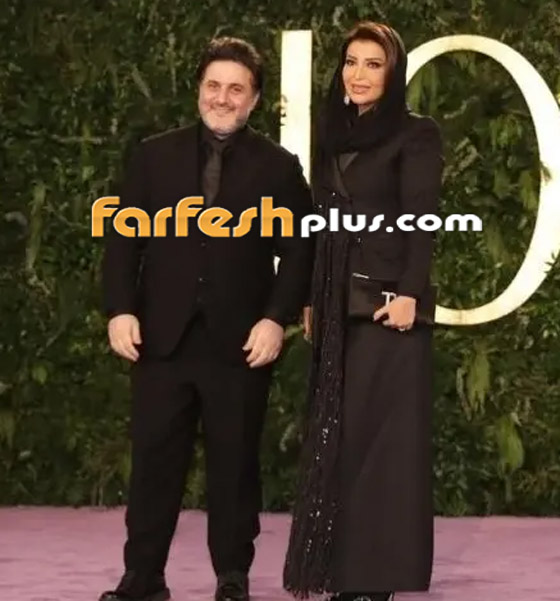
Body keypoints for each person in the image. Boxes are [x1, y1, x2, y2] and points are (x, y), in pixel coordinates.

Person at [99, 37, 314, 601]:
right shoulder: (153, 157)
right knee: (153, 464)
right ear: (199, 89)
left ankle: (232, 577)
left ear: (255, 99)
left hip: (240, 343)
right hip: (160, 339)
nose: (222, 97)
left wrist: (275, 319)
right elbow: (122, 242)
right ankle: (143, 578)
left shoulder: (279, 167)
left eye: (236, 89)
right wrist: (120, 309)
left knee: (235, 467)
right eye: (213, 86)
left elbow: (300, 252)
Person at [283, 22, 444, 601]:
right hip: (334, 305)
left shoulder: (416, 133)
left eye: (373, 64)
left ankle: (377, 580)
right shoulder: (331, 132)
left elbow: (422, 219)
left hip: (387, 306)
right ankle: (345, 574)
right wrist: (309, 296)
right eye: (351, 61)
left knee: (385, 449)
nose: (358, 74)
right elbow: (318, 222)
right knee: (343, 443)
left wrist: (409, 295)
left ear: (393, 73)